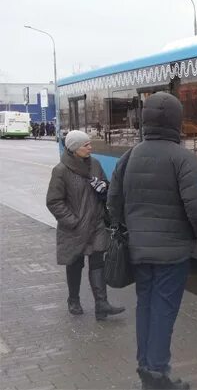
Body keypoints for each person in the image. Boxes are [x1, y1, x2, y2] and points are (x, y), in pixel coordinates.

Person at [107, 92, 197, 390]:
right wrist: (196, 235)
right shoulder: (184, 159)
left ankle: (146, 367)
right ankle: (157, 374)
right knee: (164, 309)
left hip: (138, 250)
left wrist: (126, 228)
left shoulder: (129, 156)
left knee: (146, 306)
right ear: (177, 121)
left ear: (146, 120)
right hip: (173, 252)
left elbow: (113, 201)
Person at [46, 130, 125, 320]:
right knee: (75, 263)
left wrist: (103, 188)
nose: (91, 147)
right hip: (74, 228)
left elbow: (107, 187)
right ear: (74, 149)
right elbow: (54, 201)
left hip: (96, 223)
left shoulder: (95, 164)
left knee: (98, 262)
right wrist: (72, 221)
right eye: (86, 145)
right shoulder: (61, 171)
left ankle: (101, 304)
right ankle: (73, 299)